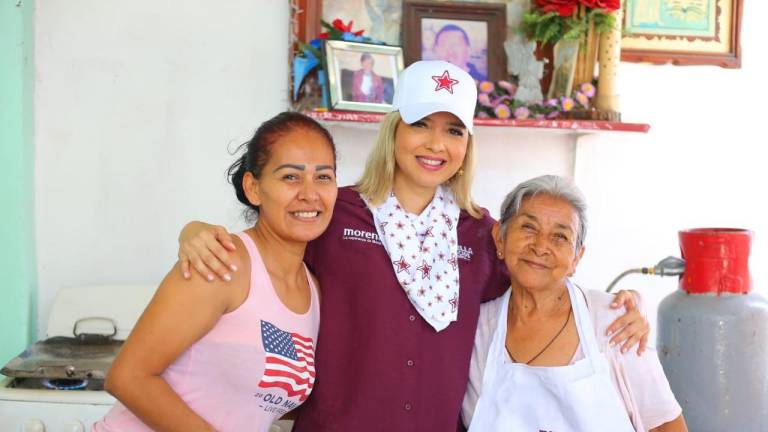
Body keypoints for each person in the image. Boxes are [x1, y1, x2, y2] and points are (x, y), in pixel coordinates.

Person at [175, 61, 649, 431]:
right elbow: (265, 247)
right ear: (395, 130)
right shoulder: (336, 213)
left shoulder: (482, 234)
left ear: (468, 144)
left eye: (453, 130)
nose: (435, 144)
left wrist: (618, 307)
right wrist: (193, 230)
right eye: (422, 123)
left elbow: (541, 281)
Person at [92, 112, 337, 432]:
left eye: (323, 177)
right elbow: (127, 377)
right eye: (290, 177)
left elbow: (254, 401)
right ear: (253, 188)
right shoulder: (221, 262)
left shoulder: (315, 291)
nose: (309, 193)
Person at [463, 175, 687, 431]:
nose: (540, 246)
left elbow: (666, 426)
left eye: (559, 236)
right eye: (528, 227)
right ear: (500, 238)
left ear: (576, 258)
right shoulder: (477, 331)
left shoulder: (615, 322)